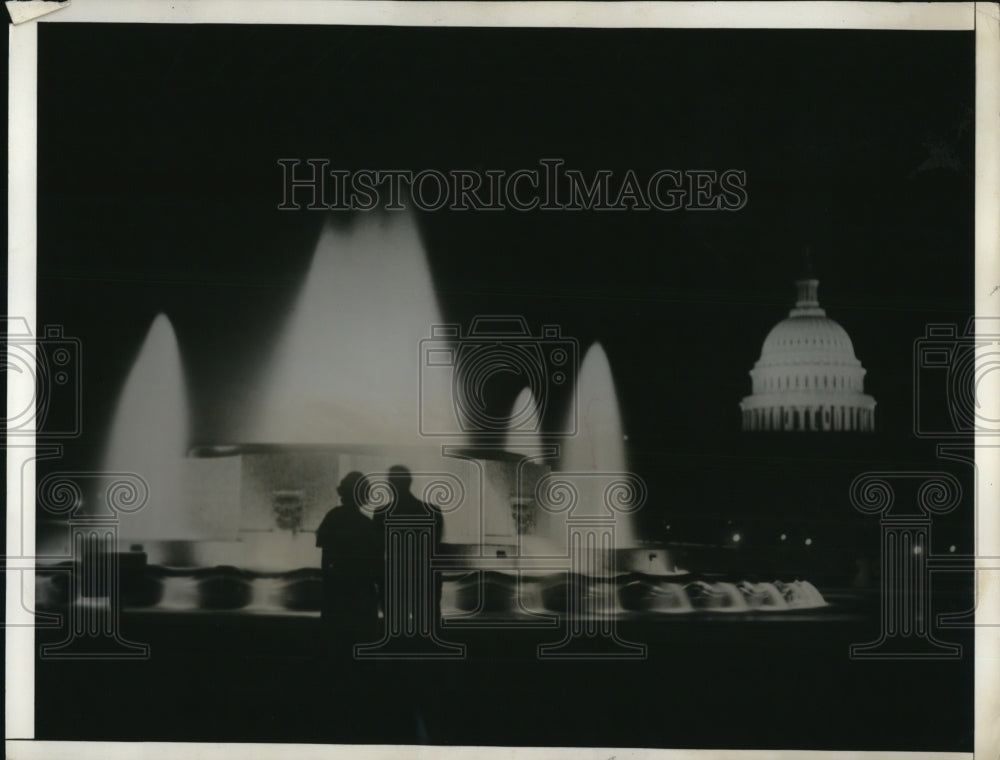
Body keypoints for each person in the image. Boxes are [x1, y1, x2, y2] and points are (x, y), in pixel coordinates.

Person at [315, 471, 380, 657]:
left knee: (336, 650)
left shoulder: (331, 518)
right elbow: (375, 565)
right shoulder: (367, 524)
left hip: (336, 594)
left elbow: (326, 562)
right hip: (361, 595)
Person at [373, 465, 445, 625]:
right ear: (410, 481)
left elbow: (377, 551)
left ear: (389, 484)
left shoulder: (381, 513)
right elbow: (435, 550)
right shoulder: (432, 511)